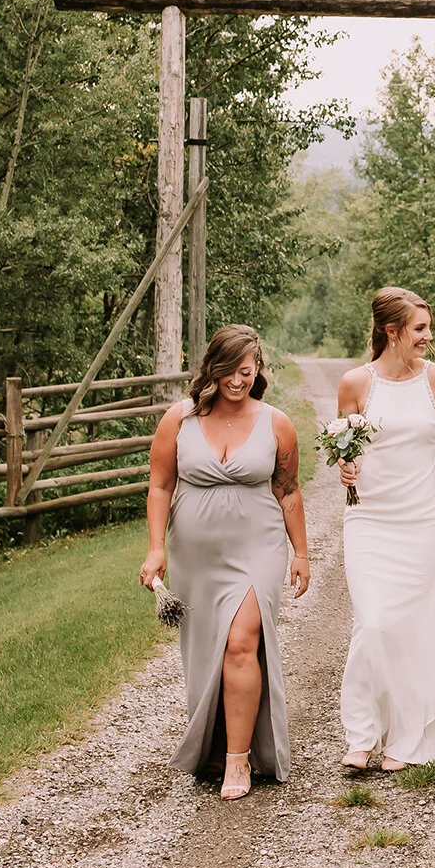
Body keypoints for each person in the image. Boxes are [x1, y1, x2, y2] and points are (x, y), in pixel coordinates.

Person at [139, 325, 310, 801]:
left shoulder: (277, 423)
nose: (237, 380)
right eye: (229, 370)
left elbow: (288, 490)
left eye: (246, 371)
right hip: (196, 554)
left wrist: (301, 552)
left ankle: (238, 759)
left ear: (258, 371)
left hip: (258, 546)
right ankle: (212, 745)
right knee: (205, 651)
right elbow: (160, 486)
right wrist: (156, 548)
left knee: (241, 643)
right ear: (212, 369)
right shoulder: (179, 419)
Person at [334, 287, 435, 771]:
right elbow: (346, 448)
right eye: (419, 328)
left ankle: (406, 736)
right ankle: (361, 734)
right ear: (392, 331)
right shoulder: (356, 383)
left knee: (415, 630)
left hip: (422, 519)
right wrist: (346, 468)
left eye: (428, 327)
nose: (428, 336)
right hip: (369, 520)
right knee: (373, 622)